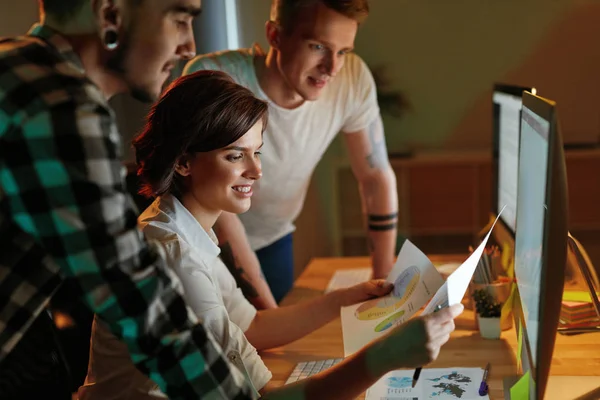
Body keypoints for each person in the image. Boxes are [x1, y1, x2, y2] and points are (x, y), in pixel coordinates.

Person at [79, 69, 464, 399]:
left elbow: (252, 327)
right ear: (183, 162)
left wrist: (342, 301)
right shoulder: (175, 259)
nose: (256, 171)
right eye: (235, 155)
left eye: (257, 152)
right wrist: (384, 357)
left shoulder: (179, 228)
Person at [0, 0, 258, 398]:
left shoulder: (19, 68)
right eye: (180, 18)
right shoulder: (60, 104)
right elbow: (137, 301)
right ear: (110, 15)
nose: (189, 45)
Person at [183, 0, 398, 306]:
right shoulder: (215, 78)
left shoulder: (351, 78)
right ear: (275, 36)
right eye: (317, 47)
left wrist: (383, 285)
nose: (332, 68)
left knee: (277, 347)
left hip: (274, 237)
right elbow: (216, 202)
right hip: (207, 243)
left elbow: (376, 177)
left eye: (343, 52)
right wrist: (272, 316)